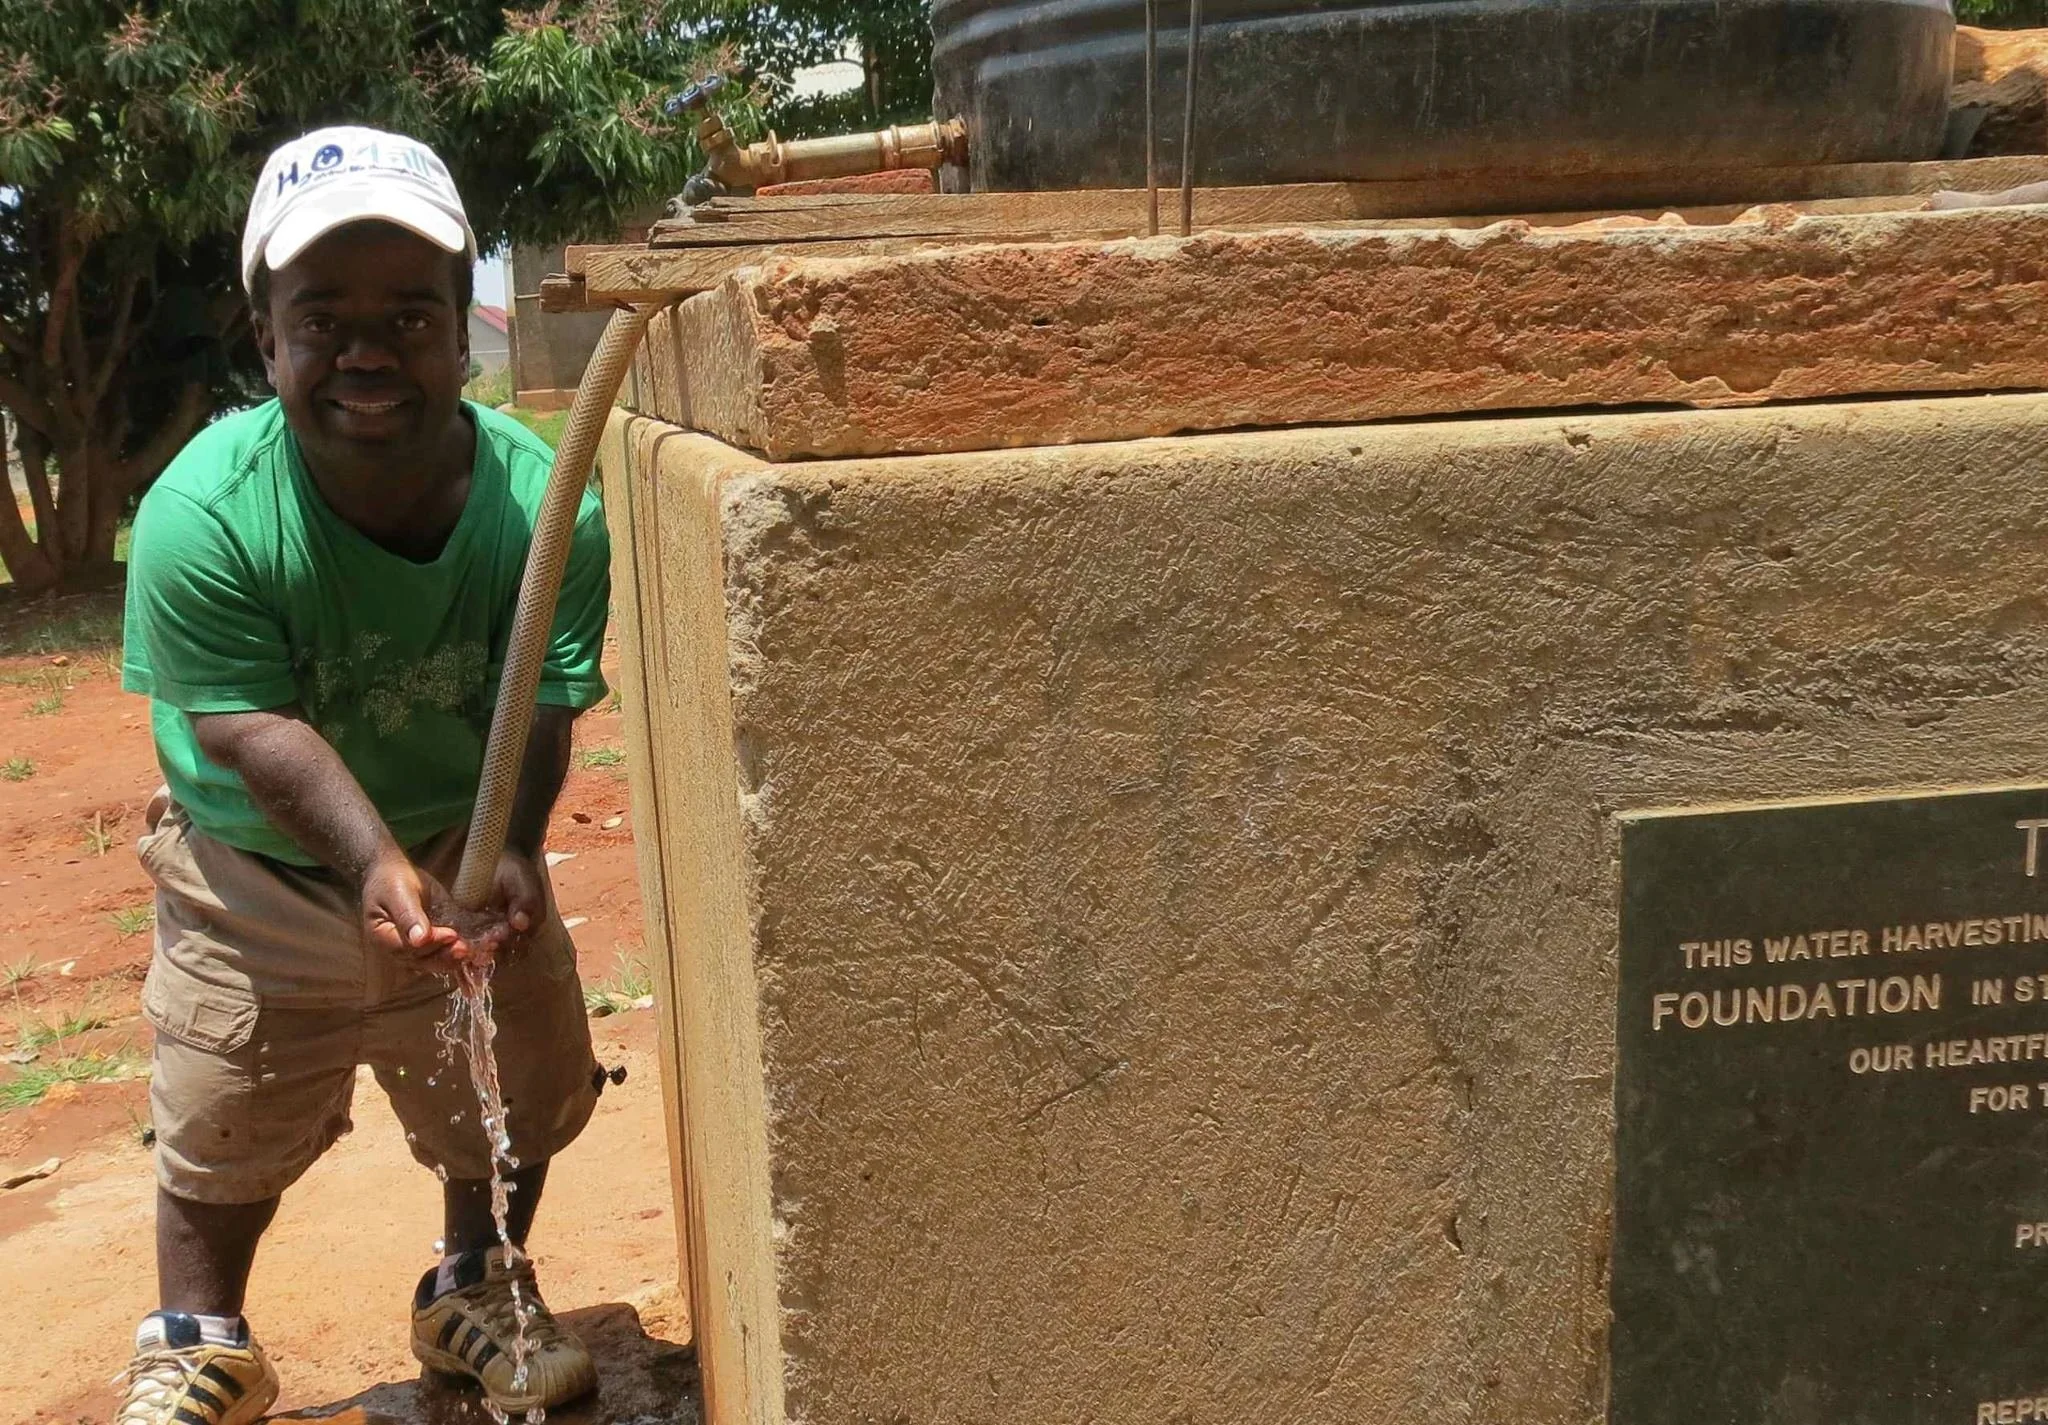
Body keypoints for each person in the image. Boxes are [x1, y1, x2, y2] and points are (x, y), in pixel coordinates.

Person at [113, 125, 612, 1425]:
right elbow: (244, 725)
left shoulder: (542, 508)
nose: (367, 349)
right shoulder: (201, 514)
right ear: (264, 333)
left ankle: (475, 1287)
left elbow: (545, 693)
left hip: (466, 829)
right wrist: (373, 862)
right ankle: (200, 1339)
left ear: (465, 329)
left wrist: (507, 844)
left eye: (409, 314)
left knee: (508, 1074)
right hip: (255, 876)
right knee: (220, 1111)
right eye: (322, 317)